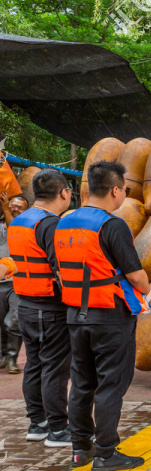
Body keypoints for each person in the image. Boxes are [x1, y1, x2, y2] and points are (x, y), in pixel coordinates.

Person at [55, 161, 151, 471]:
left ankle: (80, 447)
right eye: (125, 189)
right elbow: (137, 276)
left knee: (82, 381)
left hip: (75, 314)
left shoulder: (64, 222)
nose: (125, 193)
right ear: (115, 190)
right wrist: (149, 291)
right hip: (109, 315)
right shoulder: (112, 225)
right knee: (112, 383)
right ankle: (106, 453)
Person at [9, 169, 72, 446]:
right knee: (55, 368)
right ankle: (58, 429)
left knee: (34, 365)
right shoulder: (51, 224)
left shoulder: (19, 221)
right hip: (50, 306)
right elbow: (61, 269)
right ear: (64, 193)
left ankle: (38, 423)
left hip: (25, 304)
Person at [0, 192, 27, 373]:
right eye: (13, 205)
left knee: (14, 320)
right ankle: (3, 356)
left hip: (16, 282)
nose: (15, 208)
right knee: (1, 321)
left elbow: (14, 228)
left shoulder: (23, 227)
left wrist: (5, 209)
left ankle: (11, 358)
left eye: (20, 207)